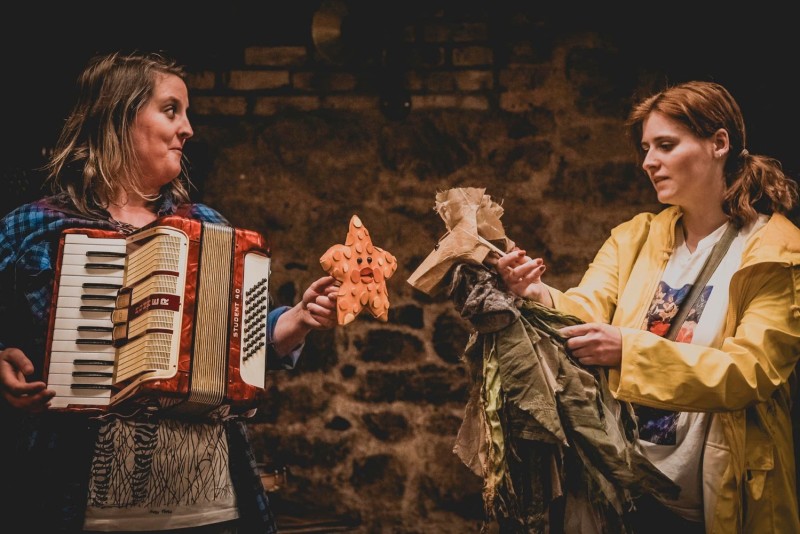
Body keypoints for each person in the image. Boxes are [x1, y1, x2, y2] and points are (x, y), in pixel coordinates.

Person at [0, 50, 339, 533]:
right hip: (75, 504)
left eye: (186, 113)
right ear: (118, 118)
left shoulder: (209, 227)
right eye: (171, 110)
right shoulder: (33, 225)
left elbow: (245, 343)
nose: (188, 129)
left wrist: (300, 318)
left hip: (210, 507)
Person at [493, 80, 800, 533]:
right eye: (645, 148)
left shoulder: (776, 252)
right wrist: (536, 293)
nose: (648, 161)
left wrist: (628, 351)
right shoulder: (635, 237)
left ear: (719, 143)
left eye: (665, 145)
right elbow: (585, 309)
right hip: (625, 488)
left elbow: (749, 373)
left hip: (711, 497)